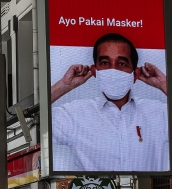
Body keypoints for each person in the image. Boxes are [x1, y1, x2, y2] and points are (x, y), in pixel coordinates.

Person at [51, 33, 169, 172]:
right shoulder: (74, 115)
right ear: (95, 72)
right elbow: (28, 126)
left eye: (121, 63)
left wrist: (165, 84)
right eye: (105, 63)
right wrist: (63, 86)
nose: (113, 70)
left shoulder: (160, 113)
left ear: (135, 74)